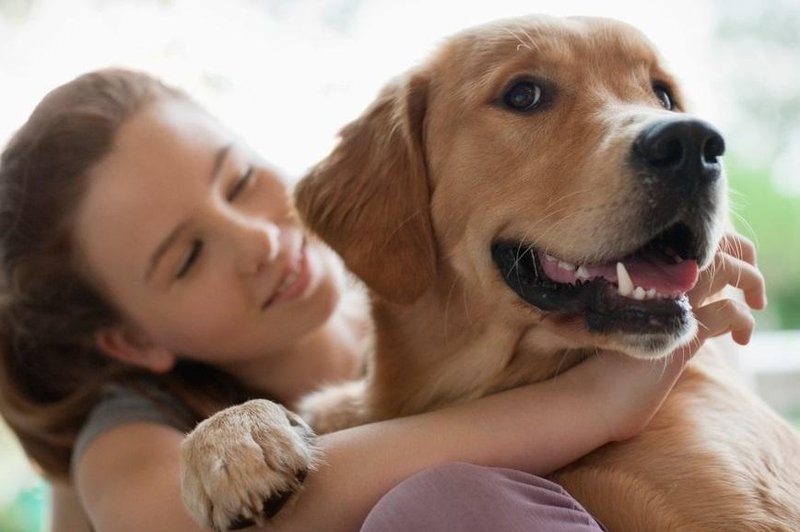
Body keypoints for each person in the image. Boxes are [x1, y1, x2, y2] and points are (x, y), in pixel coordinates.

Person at [0, 68, 764, 532]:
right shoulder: (129, 420)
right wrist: (597, 404)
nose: (258, 240)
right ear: (131, 342)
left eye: (238, 180)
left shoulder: (426, 264)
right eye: (189, 256)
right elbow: (178, 522)